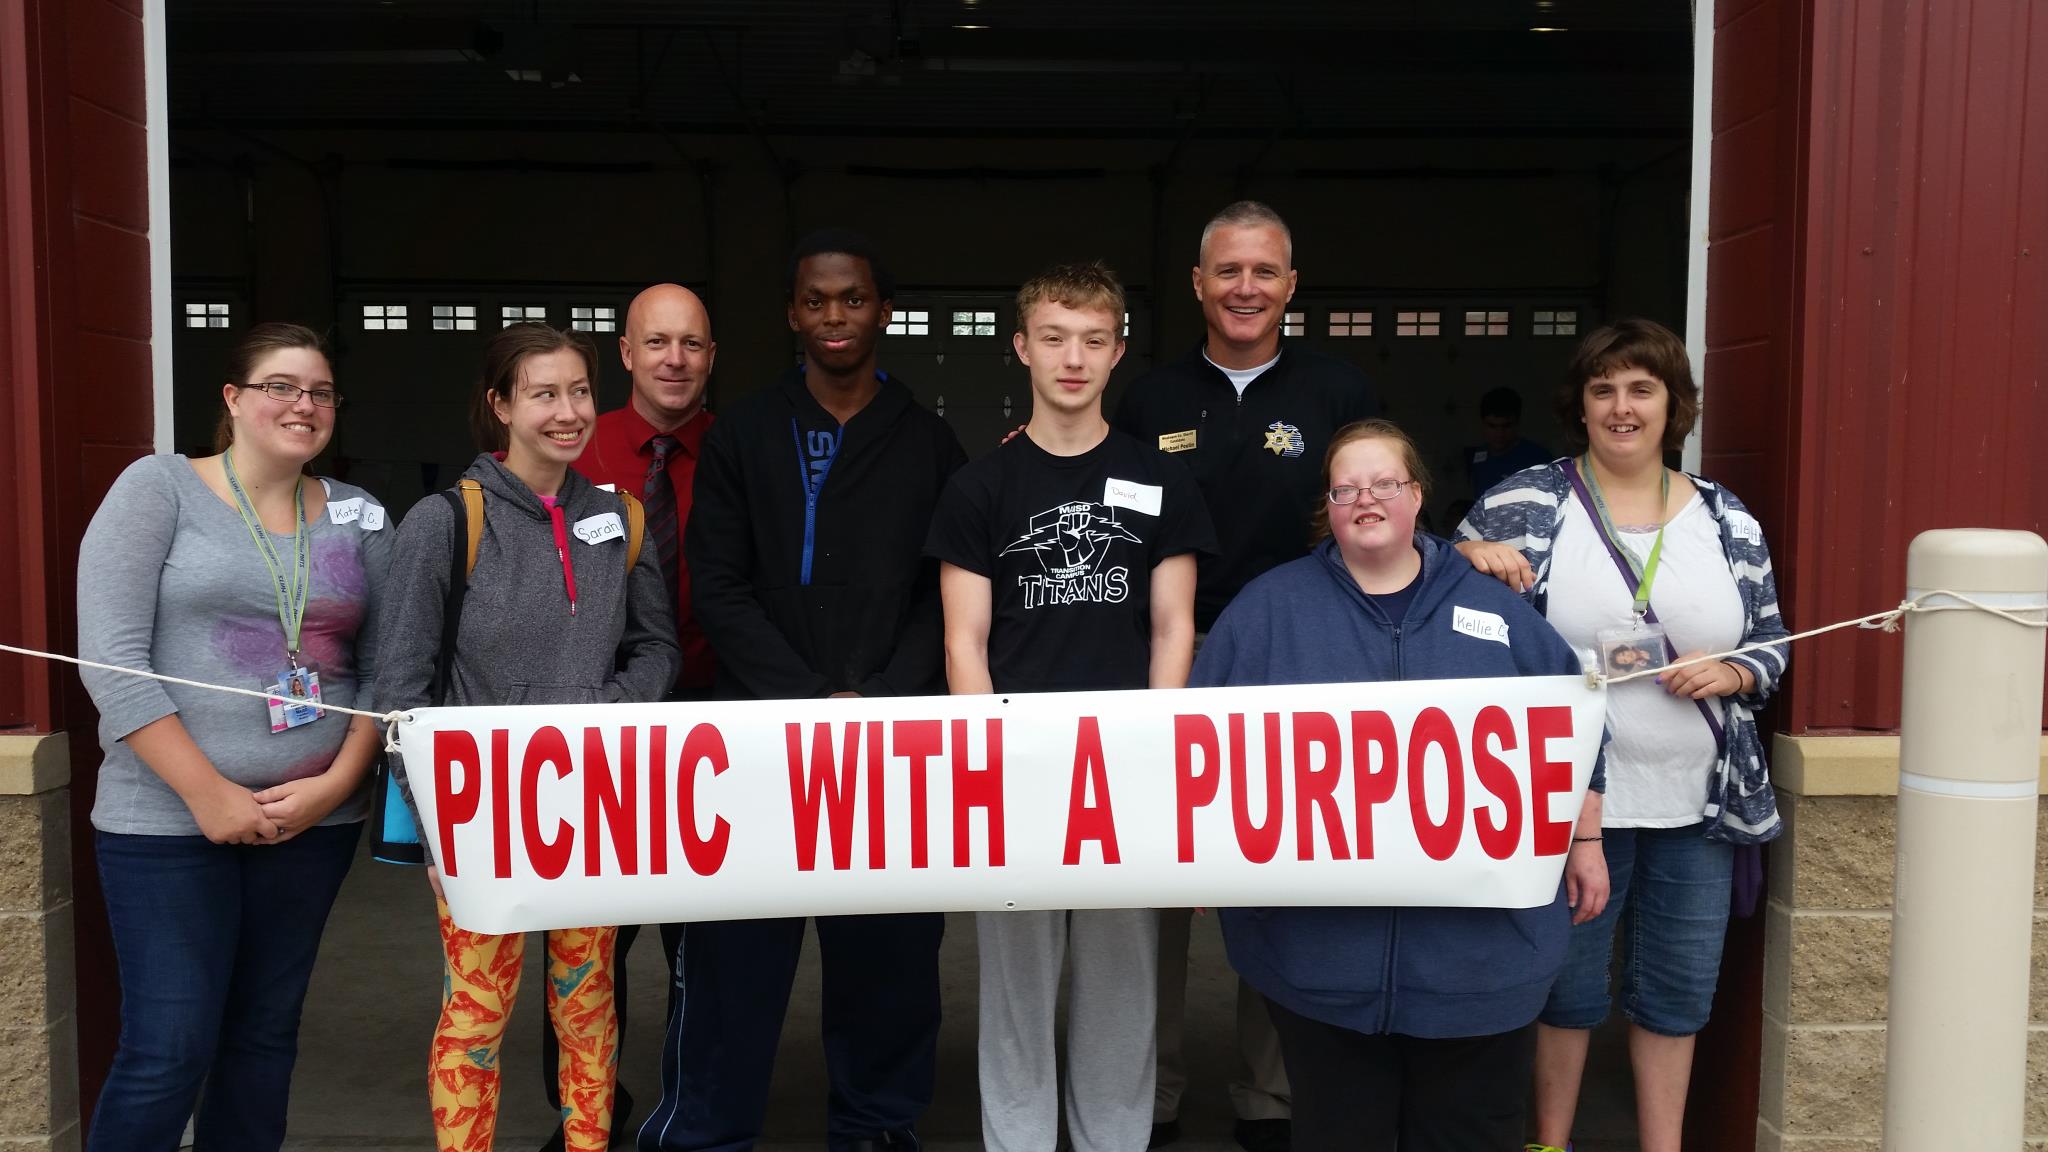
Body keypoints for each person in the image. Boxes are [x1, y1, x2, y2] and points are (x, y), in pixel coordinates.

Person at [1191, 418, 1608, 1152]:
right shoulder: (1266, 611)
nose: (1367, 499)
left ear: (1418, 496)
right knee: (1339, 1132)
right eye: (1347, 487)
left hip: (1479, 964)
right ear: (1328, 505)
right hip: (1320, 963)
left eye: (1385, 482)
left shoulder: (1499, 614)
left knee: (1468, 1134)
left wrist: (1586, 838)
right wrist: (1196, 851)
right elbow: (1197, 742)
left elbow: (1577, 730)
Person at [640, 229, 967, 1152]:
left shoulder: (930, 441)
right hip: (756, 740)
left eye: (853, 299)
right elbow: (721, 583)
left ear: (882, 312)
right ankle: (710, 1130)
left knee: (890, 959)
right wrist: (806, 699)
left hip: (892, 744)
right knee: (737, 955)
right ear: (792, 313)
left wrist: (879, 698)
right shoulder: (745, 430)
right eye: (816, 300)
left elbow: (941, 591)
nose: (834, 316)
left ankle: (876, 1124)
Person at [1453, 318, 1789, 1152]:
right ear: (1582, 404)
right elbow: (1428, 585)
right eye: (1604, 389)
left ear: (1674, 405)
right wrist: (1467, 554)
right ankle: (1550, 1142)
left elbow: (1773, 642)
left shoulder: (1725, 516)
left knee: (1677, 994)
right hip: (1565, 802)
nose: (1622, 406)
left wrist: (1738, 672)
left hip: (1698, 802)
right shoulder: (1531, 499)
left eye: (1642, 388)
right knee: (1563, 989)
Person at [76, 323, 391, 1151]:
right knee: (168, 1048)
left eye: (321, 392)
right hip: (169, 823)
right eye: (281, 386)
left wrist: (337, 786)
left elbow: (392, 668)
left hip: (311, 822)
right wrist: (207, 793)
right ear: (233, 399)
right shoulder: (160, 489)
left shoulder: (360, 515)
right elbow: (111, 660)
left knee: (263, 1040)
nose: (304, 405)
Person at [926, 262, 1214, 1152]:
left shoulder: (1158, 479)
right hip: (1018, 766)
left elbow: (1174, 628)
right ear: (1022, 348)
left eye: (1094, 339)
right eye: (1054, 338)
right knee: (1015, 982)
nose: (1074, 358)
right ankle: (1017, 1140)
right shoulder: (982, 487)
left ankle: (1113, 1139)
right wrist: (993, 757)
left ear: (1119, 350)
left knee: (1123, 979)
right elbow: (962, 642)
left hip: (1123, 764)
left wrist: (1151, 745)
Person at [1110, 198, 1377, 1152]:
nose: (1246, 288)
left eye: (1265, 271)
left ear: (1291, 286)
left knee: (1280, 881)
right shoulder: (1145, 399)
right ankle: (1150, 1096)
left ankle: (1271, 1097)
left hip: (1296, 669)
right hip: (1167, 666)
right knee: (1157, 889)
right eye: (1228, 271)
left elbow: (1380, 506)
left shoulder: (1339, 390)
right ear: (1197, 283)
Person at [376, 322, 681, 1152]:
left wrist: (614, 709)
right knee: (476, 1014)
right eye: (543, 394)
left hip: (593, 806)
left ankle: (589, 1143)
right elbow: (400, 689)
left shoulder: (623, 516)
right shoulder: (447, 520)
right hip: (480, 816)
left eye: (579, 391)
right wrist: (435, 817)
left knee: (587, 1006)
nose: (567, 411)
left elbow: (658, 645)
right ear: (501, 405)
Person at [542, 281, 718, 1147]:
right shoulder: (576, 447)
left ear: (711, 355)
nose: (674, 360)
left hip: (711, 732)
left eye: (690, 343)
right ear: (625, 352)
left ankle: (689, 1112)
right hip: (593, 733)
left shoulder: (738, 449)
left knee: (701, 949)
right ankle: (584, 1114)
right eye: (657, 343)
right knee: (584, 948)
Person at [1462, 386, 1551, 500]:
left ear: (1517, 423)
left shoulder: (1538, 458)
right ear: (1483, 424)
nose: (1500, 434)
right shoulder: (1478, 457)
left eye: (1506, 426)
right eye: (1492, 426)